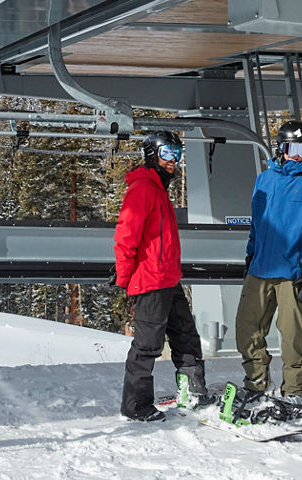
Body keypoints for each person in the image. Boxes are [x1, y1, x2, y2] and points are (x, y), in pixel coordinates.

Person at [235, 120, 302, 419]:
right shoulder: (265, 180)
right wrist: (250, 255)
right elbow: (257, 222)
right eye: (291, 148)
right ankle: (255, 383)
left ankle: (295, 391)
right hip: (261, 266)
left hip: (292, 270)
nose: (297, 155)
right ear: (281, 148)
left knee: (291, 336)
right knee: (246, 330)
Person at [112, 131, 212, 422]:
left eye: (177, 154)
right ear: (152, 154)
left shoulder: (158, 190)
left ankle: (193, 391)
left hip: (168, 278)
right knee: (148, 345)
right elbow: (125, 236)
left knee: (186, 337)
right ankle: (135, 405)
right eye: (167, 153)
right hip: (150, 280)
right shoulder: (143, 189)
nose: (173, 161)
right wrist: (125, 278)